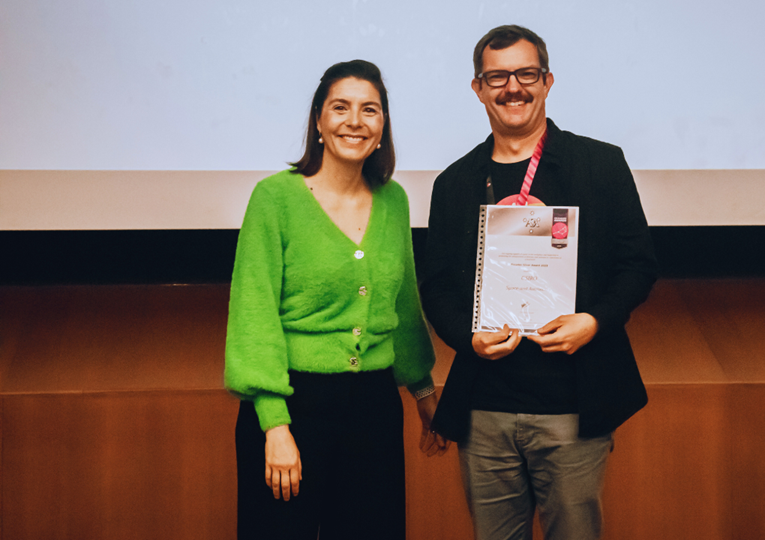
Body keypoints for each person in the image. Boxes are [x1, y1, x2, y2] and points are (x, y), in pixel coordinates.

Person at [420, 26, 657, 540]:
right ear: (478, 88)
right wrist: (468, 338)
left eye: (526, 74)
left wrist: (593, 322)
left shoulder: (600, 164)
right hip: (486, 408)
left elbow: (637, 265)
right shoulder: (455, 183)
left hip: (574, 403)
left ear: (547, 81)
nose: (513, 88)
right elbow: (436, 287)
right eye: (497, 76)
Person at [225, 59, 448, 540]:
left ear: (382, 126)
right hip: (293, 408)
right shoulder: (275, 199)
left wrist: (424, 392)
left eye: (370, 110)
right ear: (319, 122)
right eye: (340, 108)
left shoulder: (394, 200)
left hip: (373, 409)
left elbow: (403, 306)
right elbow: (254, 314)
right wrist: (275, 426)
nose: (355, 120)